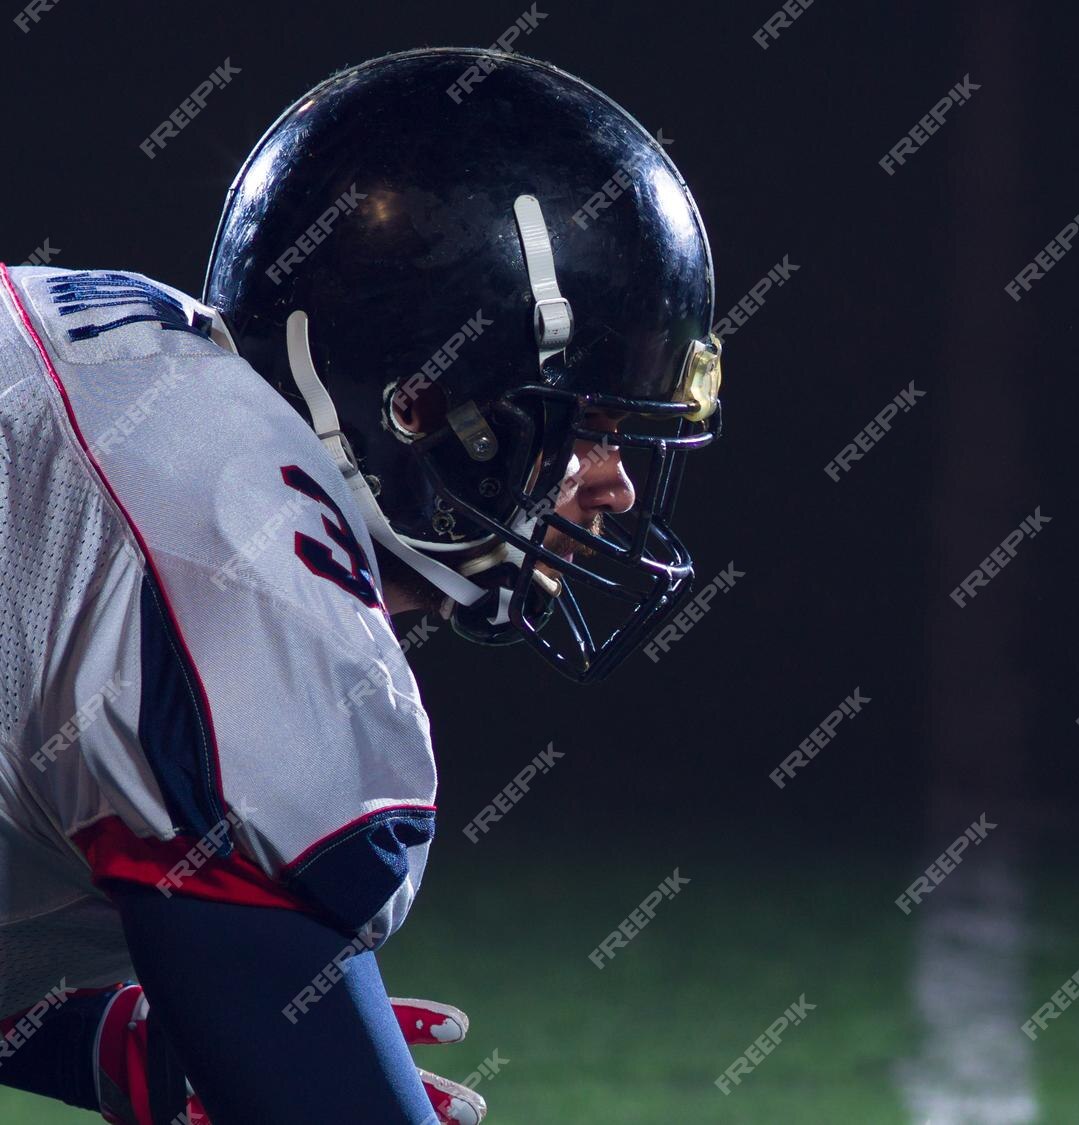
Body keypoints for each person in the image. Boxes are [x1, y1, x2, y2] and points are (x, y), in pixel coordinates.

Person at [0, 47, 722, 1123]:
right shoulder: (251, 582)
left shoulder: (126, 362)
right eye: (586, 430)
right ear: (420, 407)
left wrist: (104, 1041)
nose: (614, 489)